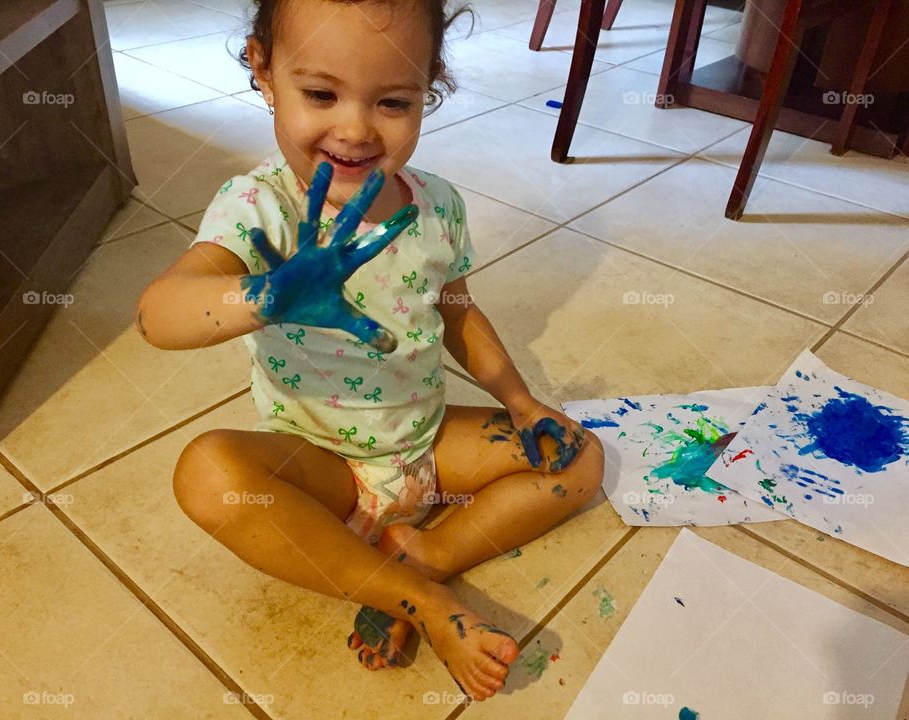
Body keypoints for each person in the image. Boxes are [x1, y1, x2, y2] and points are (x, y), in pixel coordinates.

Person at [136, 0, 604, 702]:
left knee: (580, 456)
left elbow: (458, 311)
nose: (354, 130)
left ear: (428, 86)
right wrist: (266, 294)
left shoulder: (437, 204)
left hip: (425, 445)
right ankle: (420, 603)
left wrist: (522, 401)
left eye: (392, 101)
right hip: (319, 467)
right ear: (263, 70)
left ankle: (424, 557)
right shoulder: (260, 207)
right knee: (207, 474)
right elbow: (158, 314)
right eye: (320, 94)